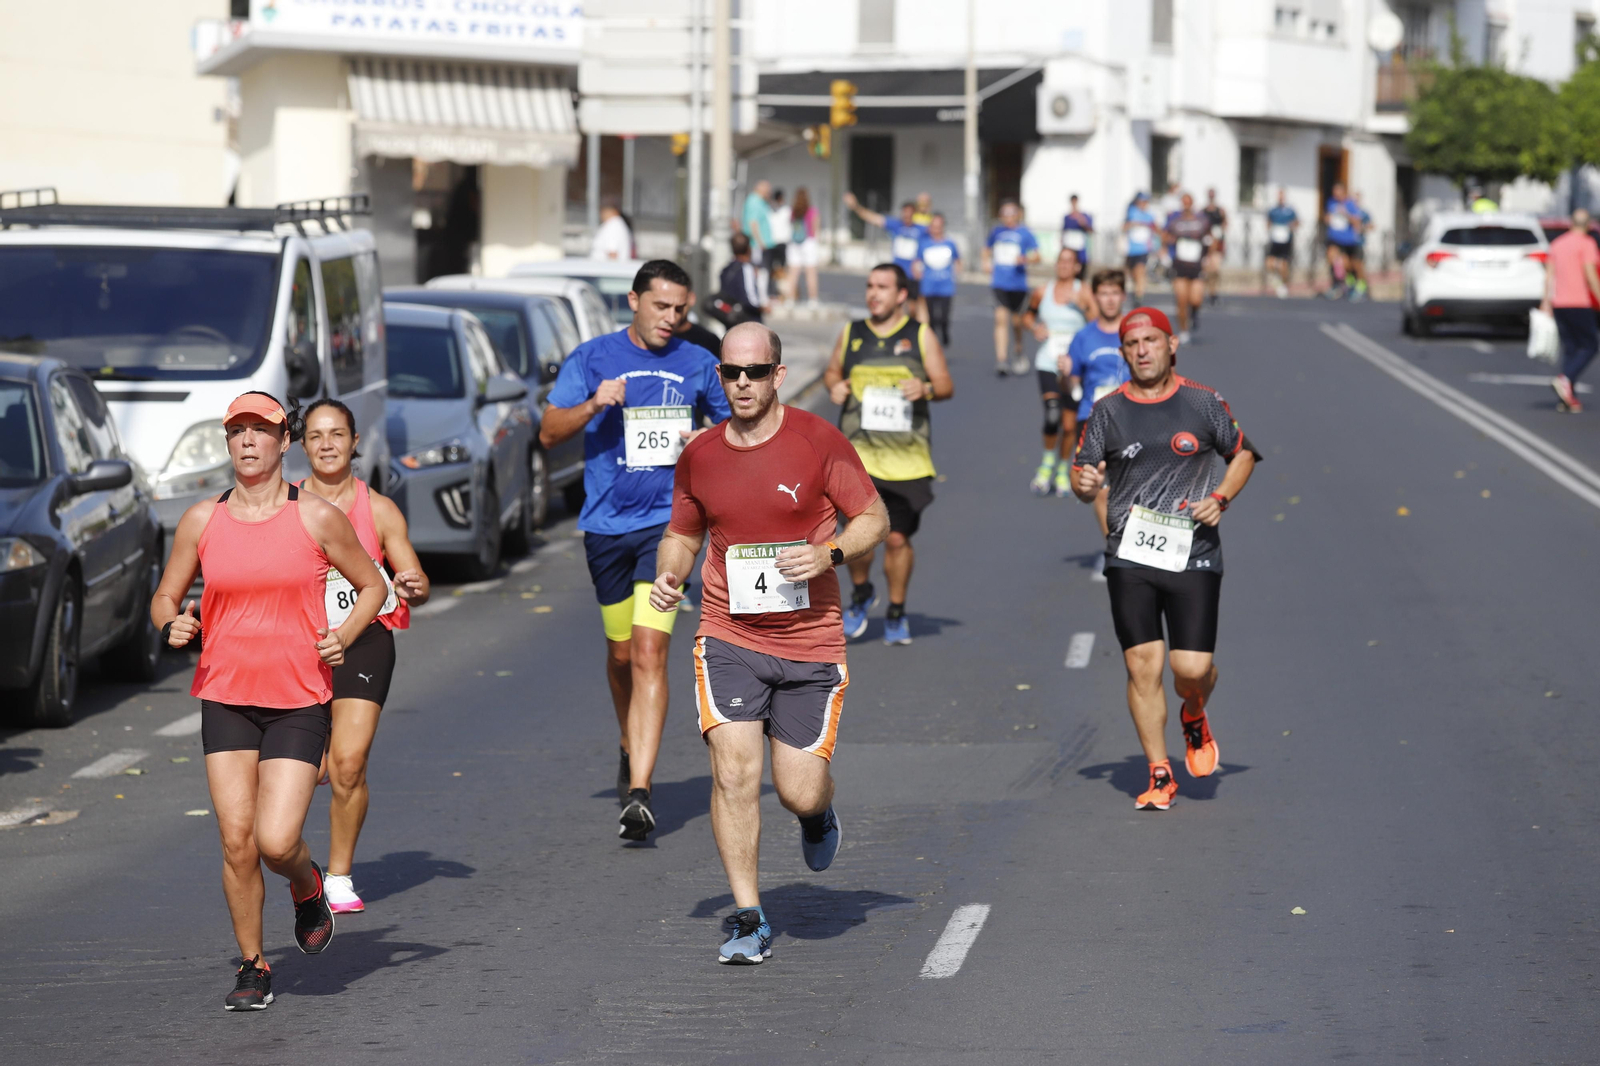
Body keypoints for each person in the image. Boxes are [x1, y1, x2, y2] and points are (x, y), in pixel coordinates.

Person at [650, 322, 889, 965]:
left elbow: (873, 518)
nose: (743, 384)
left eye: (755, 372)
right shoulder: (700, 453)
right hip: (728, 632)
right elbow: (683, 532)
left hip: (810, 642)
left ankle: (818, 816)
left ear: (778, 375)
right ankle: (749, 916)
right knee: (733, 772)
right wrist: (669, 572)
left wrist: (829, 553)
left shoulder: (817, 441)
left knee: (798, 789)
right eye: (731, 372)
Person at [151, 391, 387, 1010]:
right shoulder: (202, 520)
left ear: (286, 442)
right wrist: (171, 622)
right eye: (238, 432)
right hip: (226, 695)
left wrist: (344, 637)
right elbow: (164, 596)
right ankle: (253, 966)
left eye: (262, 430)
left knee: (276, 841)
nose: (249, 441)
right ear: (228, 444)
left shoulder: (315, 517)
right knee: (236, 842)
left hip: (298, 698)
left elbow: (372, 584)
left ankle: (308, 885)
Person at [539, 260, 731, 842]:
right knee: (621, 655)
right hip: (605, 528)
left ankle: (641, 791)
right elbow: (548, 431)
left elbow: (735, 432)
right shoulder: (593, 358)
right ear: (634, 301)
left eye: (680, 310)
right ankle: (629, 740)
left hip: (668, 528)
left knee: (650, 652)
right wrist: (596, 404)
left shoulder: (700, 364)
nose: (672, 319)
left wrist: (707, 439)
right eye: (661, 307)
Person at [1071, 308, 1258, 811]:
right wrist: (1084, 482)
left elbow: (1243, 453)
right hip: (1129, 553)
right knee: (1142, 666)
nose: (1142, 350)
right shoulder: (1108, 409)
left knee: (1190, 669)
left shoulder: (1202, 401)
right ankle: (1159, 772)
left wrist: (1219, 499)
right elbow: (1082, 469)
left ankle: (1194, 712)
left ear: (1171, 345)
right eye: (1132, 343)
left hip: (1193, 549)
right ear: (1124, 352)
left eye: (1151, 340)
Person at [295, 400, 430, 915]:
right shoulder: (287, 506)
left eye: (337, 434)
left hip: (364, 641)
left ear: (355, 443)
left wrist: (414, 585)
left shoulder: (378, 510)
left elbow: (414, 581)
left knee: (348, 764)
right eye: (315, 436)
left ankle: (339, 876)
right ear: (301, 446)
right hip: (299, 647)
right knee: (314, 768)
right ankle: (296, 861)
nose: (327, 444)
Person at [824, 264, 955, 644]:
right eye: (869, 286)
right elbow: (832, 373)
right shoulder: (852, 333)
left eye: (882, 287)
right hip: (858, 457)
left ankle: (896, 610)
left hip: (906, 461)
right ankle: (862, 592)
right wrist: (835, 386)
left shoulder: (919, 335)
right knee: (856, 535)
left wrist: (925, 388)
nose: (873, 293)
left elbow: (946, 384)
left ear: (902, 295)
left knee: (896, 539)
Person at [1020, 249, 1092, 497]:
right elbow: (1027, 316)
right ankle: (1046, 465)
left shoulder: (1084, 291)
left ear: (1077, 267)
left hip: (1075, 365)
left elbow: (1096, 321)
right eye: (1060, 260)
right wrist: (1035, 327)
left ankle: (1063, 469)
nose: (1063, 265)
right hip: (1048, 360)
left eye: (1069, 262)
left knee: (1070, 425)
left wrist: (1084, 307)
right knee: (1052, 415)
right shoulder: (1043, 291)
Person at [1063, 269, 1130, 525]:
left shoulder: (1136, 332)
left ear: (1123, 295)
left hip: (1132, 419)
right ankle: (1113, 554)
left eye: (1115, 293)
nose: (1110, 299)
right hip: (1092, 420)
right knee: (1102, 491)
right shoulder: (1083, 337)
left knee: (1132, 490)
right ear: (1095, 297)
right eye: (1104, 293)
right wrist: (1065, 375)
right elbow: (1071, 388)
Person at [1542, 207, 1600, 413]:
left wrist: (1546, 302)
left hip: (1559, 303)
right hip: (1579, 302)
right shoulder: (1587, 244)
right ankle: (1565, 379)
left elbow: (1549, 275)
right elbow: (1590, 274)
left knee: (1571, 348)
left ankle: (1567, 395)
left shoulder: (1558, 244)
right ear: (1588, 225)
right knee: (1590, 345)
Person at [844, 194, 929, 322]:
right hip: (899, 273)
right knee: (898, 305)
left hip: (913, 275)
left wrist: (926, 205)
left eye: (909, 213)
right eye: (904, 213)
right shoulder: (896, 226)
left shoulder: (921, 230)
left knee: (915, 306)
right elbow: (874, 218)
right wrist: (856, 207)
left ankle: (919, 331)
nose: (906, 216)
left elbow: (937, 232)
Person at [982, 200, 1041, 375]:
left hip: (1018, 285)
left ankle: (1018, 348)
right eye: (1004, 214)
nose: (1008, 218)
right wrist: (986, 262)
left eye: (1011, 214)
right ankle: (1001, 360)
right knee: (1000, 319)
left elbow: (1037, 256)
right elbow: (986, 248)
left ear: (1018, 215)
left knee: (1017, 321)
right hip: (999, 283)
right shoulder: (996, 232)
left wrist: (1026, 259)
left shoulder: (1025, 233)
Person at [1164, 192, 1210, 342]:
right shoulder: (1175, 220)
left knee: (1196, 299)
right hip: (1180, 265)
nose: (1186, 205)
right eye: (1183, 202)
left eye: (1188, 202)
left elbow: (1210, 238)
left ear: (1193, 203)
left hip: (1196, 265)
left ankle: (1195, 313)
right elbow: (1164, 236)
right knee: (1181, 300)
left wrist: (1209, 256)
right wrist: (1166, 250)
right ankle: (1184, 330)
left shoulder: (1201, 221)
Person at [915, 213, 961, 346]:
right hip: (929, 285)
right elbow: (917, 262)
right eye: (933, 226)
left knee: (944, 316)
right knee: (932, 317)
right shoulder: (924, 244)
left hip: (946, 286)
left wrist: (956, 271)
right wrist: (917, 272)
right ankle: (934, 341)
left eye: (939, 226)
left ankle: (945, 332)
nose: (936, 229)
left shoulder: (950, 243)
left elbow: (957, 260)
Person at [709, 233, 765, 326]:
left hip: (730, 317)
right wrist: (761, 307)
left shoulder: (726, 269)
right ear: (748, 248)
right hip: (747, 318)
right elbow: (750, 297)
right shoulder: (746, 268)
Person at [1324, 182, 1361, 300]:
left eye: (1338, 192)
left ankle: (1352, 284)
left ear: (1343, 192)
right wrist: (1328, 218)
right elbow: (1327, 216)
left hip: (1348, 239)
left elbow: (1357, 221)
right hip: (1334, 237)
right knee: (1331, 256)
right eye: (1334, 192)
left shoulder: (1350, 204)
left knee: (1349, 265)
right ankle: (1337, 284)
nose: (1335, 194)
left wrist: (1345, 214)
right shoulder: (1331, 202)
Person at [787, 187, 822, 306]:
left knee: (793, 273)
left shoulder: (793, 211)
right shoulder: (812, 211)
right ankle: (813, 300)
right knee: (810, 272)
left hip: (794, 243)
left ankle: (790, 299)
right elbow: (816, 228)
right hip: (809, 242)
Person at [1264, 188, 1298, 299]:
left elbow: (1297, 222)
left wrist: (1291, 226)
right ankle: (1277, 283)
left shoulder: (1290, 211)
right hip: (1275, 240)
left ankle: (1283, 285)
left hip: (1285, 240)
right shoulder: (1273, 210)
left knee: (1284, 265)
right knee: (1270, 264)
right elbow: (1268, 223)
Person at [1123, 193, 1157, 301]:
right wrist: (1133, 224)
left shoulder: (1150, 215)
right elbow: (1124, 227)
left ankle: (1139, 295)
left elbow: (1156, 229)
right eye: (1142, 202)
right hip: (1131, 249)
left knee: (1140, 270)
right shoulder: (1131, 212)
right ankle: (1136, 290)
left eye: (1145, 202)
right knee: (1133, 273)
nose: (1143, 204)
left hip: (1143, 249)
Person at [676, 291, 724, 358]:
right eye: (662, 306)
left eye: (679, 305)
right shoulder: (658, 339)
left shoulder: (710, 341)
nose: (672, 312)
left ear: (691, 298)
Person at [1202, 188, 1227, 306]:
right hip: (1207, 243)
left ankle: (1213, 292)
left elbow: (1225, 224)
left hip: (1218, 244)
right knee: (1207, 270)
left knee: (1215, 269)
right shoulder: (1203, 211)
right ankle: (1207, 291)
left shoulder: (1220, 211)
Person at [767, 189, 792, 305]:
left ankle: (779, 294)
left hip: (777, 242)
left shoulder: (772, 210)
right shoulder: (782, 210)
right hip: (776, 242)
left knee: (778, 271)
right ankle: (774, 293)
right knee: (773, 271)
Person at [1061, 194, 1094, 268]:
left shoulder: (1084, 216)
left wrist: (1083, 222)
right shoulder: (1067, 217)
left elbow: (1090, 230)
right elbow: (1064, 232)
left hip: (1080, 249)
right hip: (1069, 246)